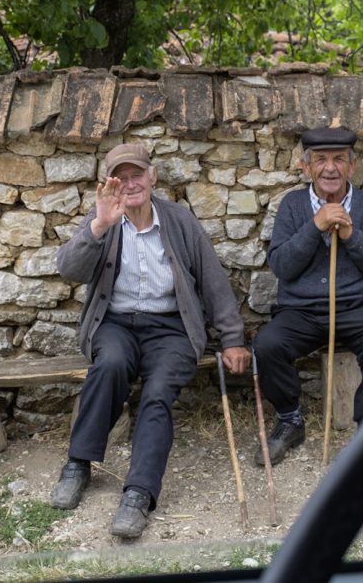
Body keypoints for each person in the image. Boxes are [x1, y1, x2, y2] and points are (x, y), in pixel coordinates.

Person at [52, 143, 251, 539]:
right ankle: (78, 464)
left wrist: (232, 339)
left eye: (136, 175)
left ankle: (139, 493)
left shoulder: (179, 221)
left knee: (158, 391)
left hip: (171, 327)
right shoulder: (103, 218)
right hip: (115, 324)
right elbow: (69, 270)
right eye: (120, 178)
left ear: (152, 176)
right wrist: (99, 226)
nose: (130, 184)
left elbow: (213, 282)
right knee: (109, 366)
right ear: (108, 184)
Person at [252, 127, 363, 465]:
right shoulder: (292, 205)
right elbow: (282, 266)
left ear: (352, 165)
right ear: (306, 167)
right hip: (300, 310)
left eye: (339, 159)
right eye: (320, 160)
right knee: (267, 345)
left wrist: (351, 234)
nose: (330, 168)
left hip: (356, 307)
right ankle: (290, 420)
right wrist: (315, 225)